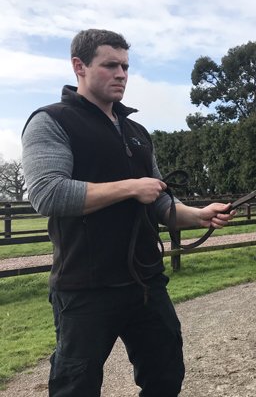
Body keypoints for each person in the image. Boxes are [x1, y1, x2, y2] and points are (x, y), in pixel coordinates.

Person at [21, 29, 235, 397]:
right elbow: (48, 193)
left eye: (125, 66)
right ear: (79, 66)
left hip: (145, 282)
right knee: (75, 387)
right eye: (110, 65)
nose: (121, 74)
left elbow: (159, 202)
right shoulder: (51, 121)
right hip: (84, 287)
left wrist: (198, 215)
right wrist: (131, 187)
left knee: (166, 375)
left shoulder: (137, 132)